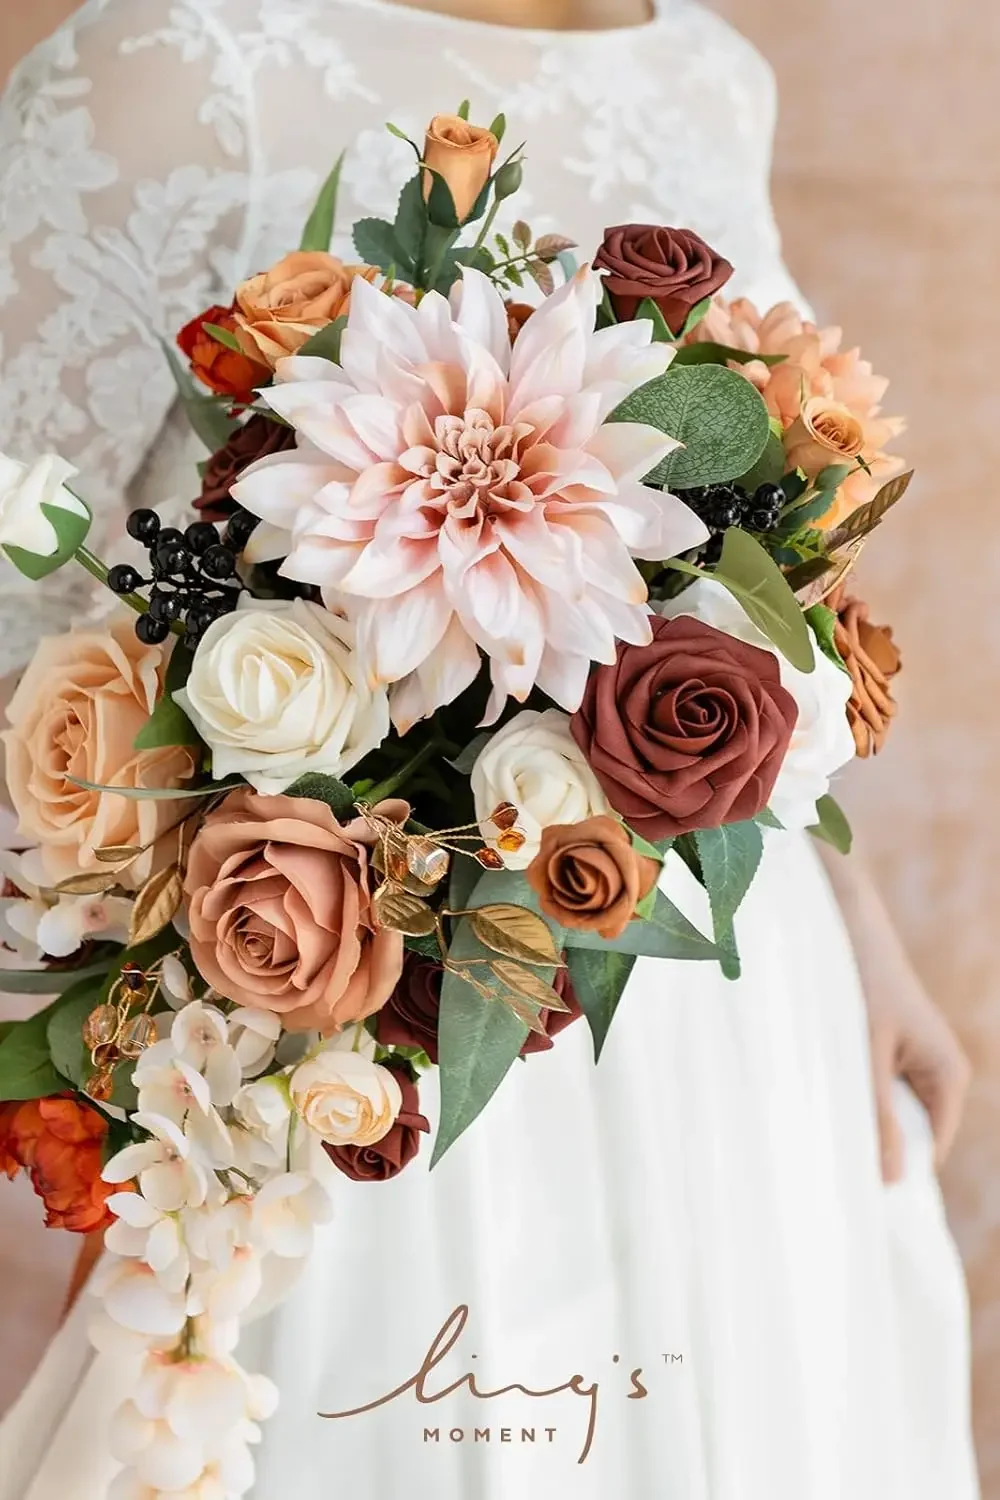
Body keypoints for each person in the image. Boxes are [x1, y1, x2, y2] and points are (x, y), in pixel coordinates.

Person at [0, 1, 979, 1496]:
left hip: (724, 998)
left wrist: (855, 927)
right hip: (361, 1032)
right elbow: (23, 609)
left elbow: (764, 578)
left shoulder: (709, 76)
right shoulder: (166, 72)